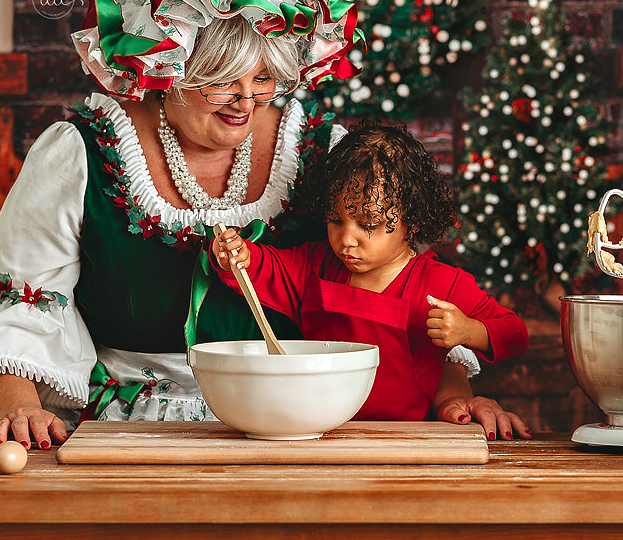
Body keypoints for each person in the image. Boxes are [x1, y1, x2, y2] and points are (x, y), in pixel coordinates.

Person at [0, 0, 521, 449]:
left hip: (298, 425)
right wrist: (18, 407)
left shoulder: (325, 150)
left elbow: (403, 294)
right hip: (131, 431)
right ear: (165, 63)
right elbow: (14, 304)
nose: (248, 100)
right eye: (222, 76)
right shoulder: (81, 152)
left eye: (267, 76)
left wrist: (456, 398)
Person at [211, 122, 532, 438]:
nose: (346, 239)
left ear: (412, 219)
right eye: (336, 220)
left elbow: (514, 333)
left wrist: (470, 330)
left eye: (369, 224)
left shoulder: (442, 283)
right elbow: (267, 268)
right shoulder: (316, 264)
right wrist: (238, 255)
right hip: (318, 436)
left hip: (404, 441)